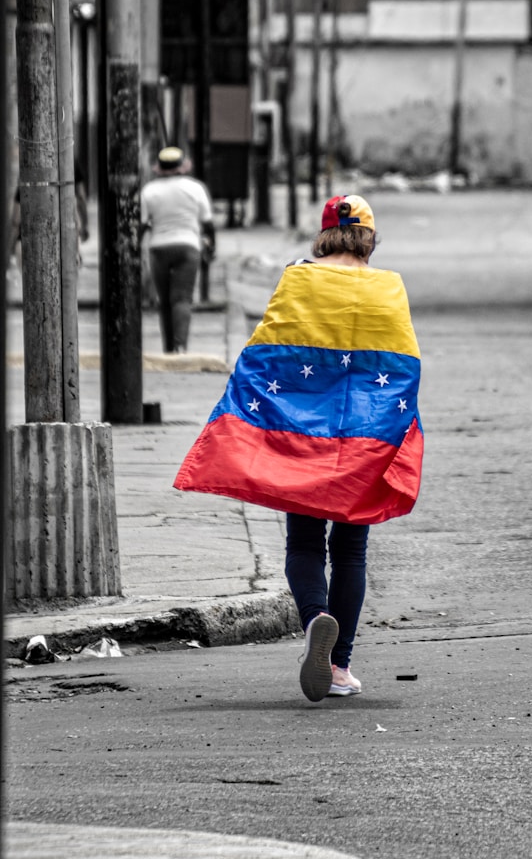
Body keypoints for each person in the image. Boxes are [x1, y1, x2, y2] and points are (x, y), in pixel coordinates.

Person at [174, 193, 423, 702]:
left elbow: (264, 355)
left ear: (324, 233)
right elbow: (404, 369)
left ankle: (315, 619)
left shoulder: (297, 278)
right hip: (364, 439)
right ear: (370, 239)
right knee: (351, 550)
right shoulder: (388, 287)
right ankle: (339, 666)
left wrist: (241, 409)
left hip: (299, 437)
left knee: (304, 544)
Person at [140, 146, 215, 353]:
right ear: (182, 166)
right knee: (182, 298)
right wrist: (211, 247)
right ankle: (180, 346)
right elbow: (207, 224)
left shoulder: (149, 190)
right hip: (188, 246)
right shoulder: (195, 188)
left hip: (158, 248)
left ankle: (167, 348)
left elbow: (142, 224)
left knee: (164, 301)